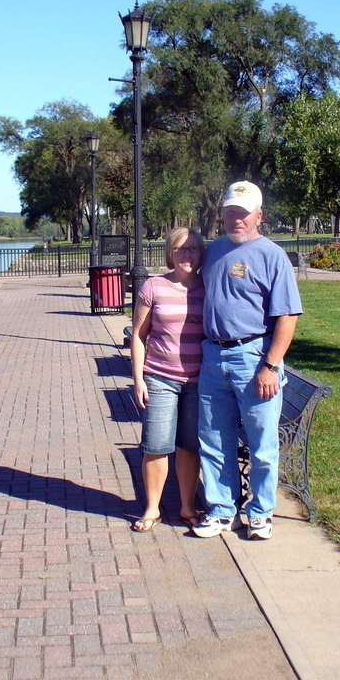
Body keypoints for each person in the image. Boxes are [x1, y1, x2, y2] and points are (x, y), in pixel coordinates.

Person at [193, 181, 303, 541]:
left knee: (262, 443)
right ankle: (222, 510)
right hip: (213, 355)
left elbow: (288, 315)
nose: (235, 220)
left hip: (254, 357)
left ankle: (260, 513)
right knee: (213, 439)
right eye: (230, 213)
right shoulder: (213, 252)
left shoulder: (272, 255)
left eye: (242, 214)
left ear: (259, 216)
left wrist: (270, 365)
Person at [129, 227, 206, 532]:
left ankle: (188, 508)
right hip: (160, 378)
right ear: (170, 254)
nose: (188, 255)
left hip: (200, 382)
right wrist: (139, 379)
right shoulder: (153, 287)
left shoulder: (209, 286)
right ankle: (152, 509)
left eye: (194, 248)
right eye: (181, 249)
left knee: (189, 446)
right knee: (156, 445)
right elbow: (137, 335)